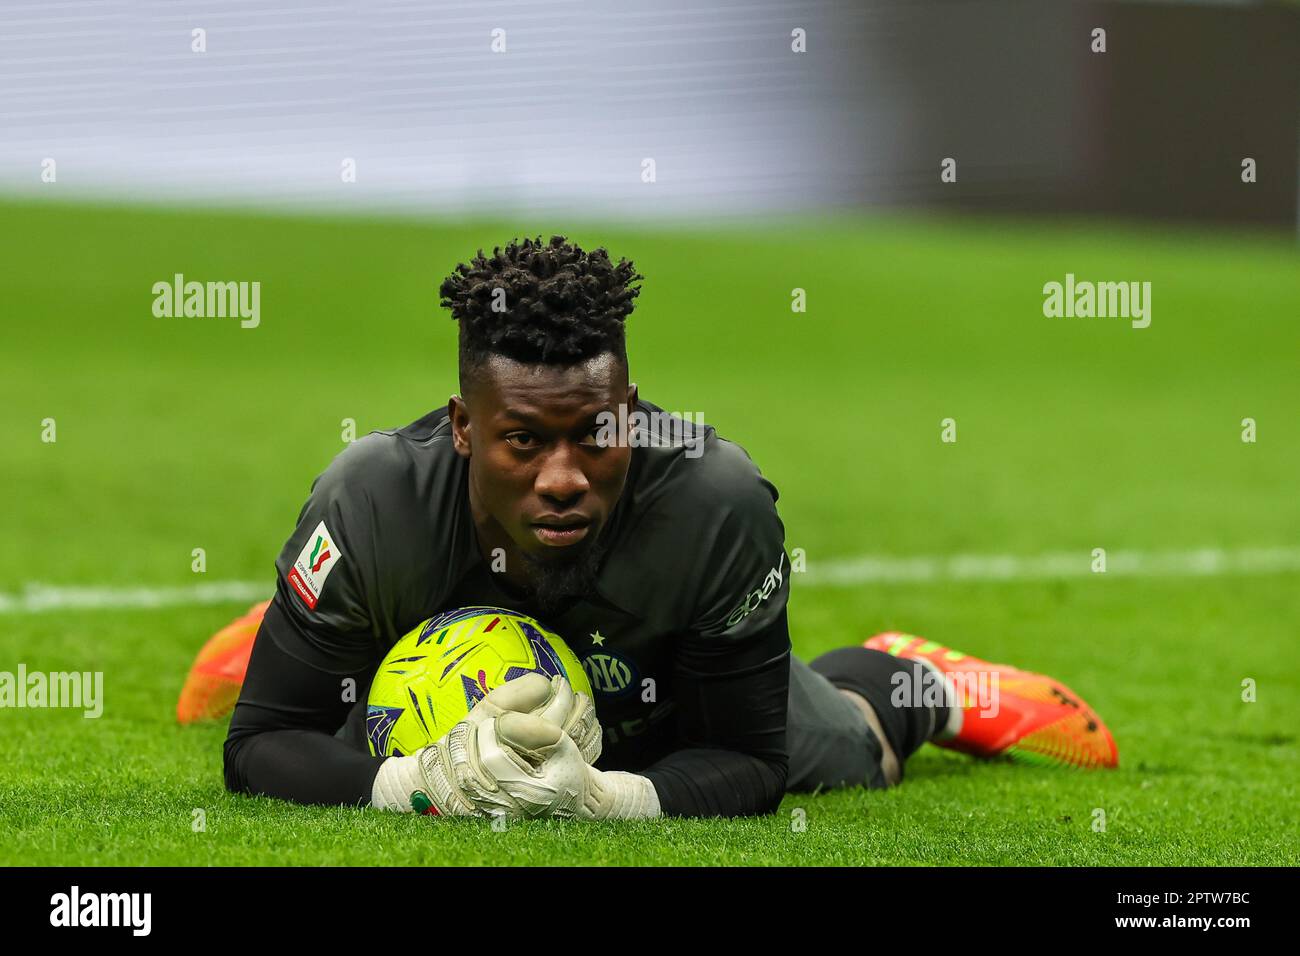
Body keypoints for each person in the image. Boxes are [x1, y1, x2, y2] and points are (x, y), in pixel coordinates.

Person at [181, 235, 1117, 820]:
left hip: (660, 701)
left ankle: (922, 685)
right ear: (463, 429)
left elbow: (750, 763)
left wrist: (611, 798)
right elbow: (259, 746)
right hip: (433, 660)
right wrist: (410, 786)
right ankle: (319, 636)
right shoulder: (369, 503)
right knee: (350, 735)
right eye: (520, 441)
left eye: (596, 436)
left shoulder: (717, 505)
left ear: (631, 412)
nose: (562, 480)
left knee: (856, 754)